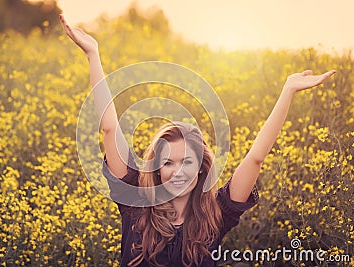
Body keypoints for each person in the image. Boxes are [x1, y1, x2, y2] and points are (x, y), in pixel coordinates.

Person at [59, 14, 336, 267]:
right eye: (168, 162)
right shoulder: (135, 202)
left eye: (187, 162)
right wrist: (93, 54)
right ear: (156, 166)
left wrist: (287, 90)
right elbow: (109, 128)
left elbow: (256, 157)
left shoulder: (216, 215)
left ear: (201, 167)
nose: (178, 172)